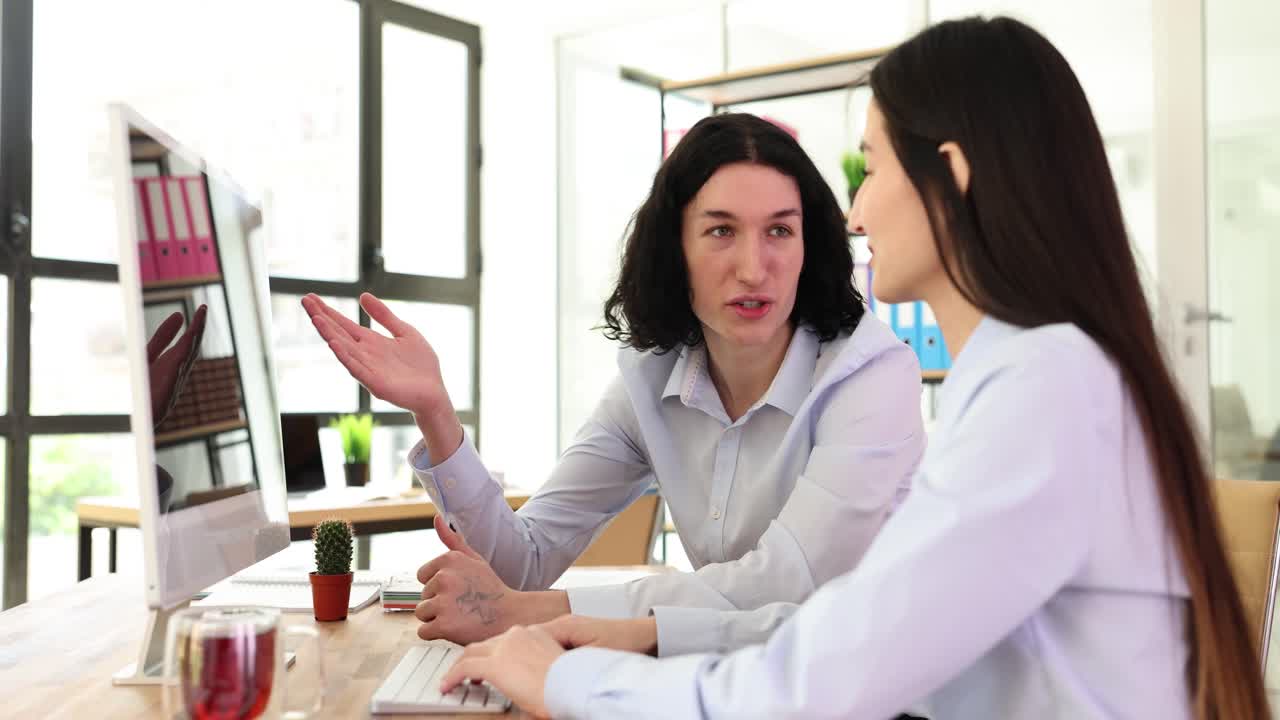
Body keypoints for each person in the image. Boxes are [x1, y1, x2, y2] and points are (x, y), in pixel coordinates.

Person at [434, 16, 1269, 719]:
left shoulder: (1042, 389)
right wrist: (648, 632)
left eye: (871, 166)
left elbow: (816, 684)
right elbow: (853, 629)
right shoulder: (1039, 373)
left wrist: (563, 676)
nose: (859, 211)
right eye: (721, 231)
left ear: (954, 173)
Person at [302, 112, 925, 653]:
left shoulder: (869, 376)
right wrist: (436, 413)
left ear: (809, 246)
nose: (753, 267)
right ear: (672, 247)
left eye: (780, 231)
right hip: (732, 685)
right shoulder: (651, 381)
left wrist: (543, 613)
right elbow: (526, 562)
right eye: (720, 231)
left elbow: (790, 582)